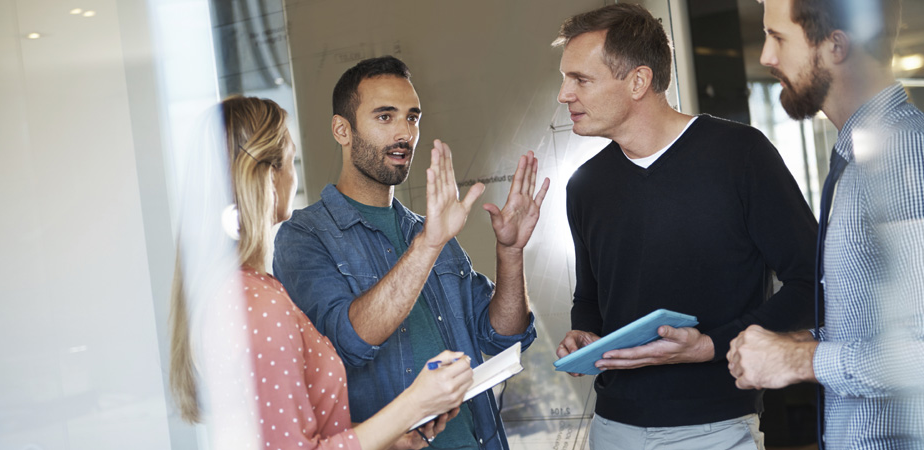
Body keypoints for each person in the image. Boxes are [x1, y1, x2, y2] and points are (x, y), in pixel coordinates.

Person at [550, 4, 818, 449]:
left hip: (715, 429)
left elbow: (812, 282)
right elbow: (591, 297)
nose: (564, 94)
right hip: (611, 428)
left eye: (580, 79)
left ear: (638, 81)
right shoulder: (585, 185)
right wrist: (585, 337)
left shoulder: (740, 156)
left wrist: (710, 346)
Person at [272, 56, 549, 450]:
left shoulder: (427, 229)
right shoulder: (303, 237)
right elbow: (349, 341)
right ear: (342, 130)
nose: (404, 132)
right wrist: (429, 245)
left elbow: (504, 336)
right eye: (385, 117)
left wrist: (510, 251)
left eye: (413, 118)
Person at [169, 96, 473, 450]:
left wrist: (391, 438)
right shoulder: (257, 302)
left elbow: (286, 434)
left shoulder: (241, 291)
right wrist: (415, 404)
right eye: (291, 159)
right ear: (269, 174)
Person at [727, 0, 924, 447]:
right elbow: (878, 329)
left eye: (778, 38)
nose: (765, 58)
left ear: (835, 45)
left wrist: (801, 361)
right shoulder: (864, 157)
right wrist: (789, 344)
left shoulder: (907, 155)